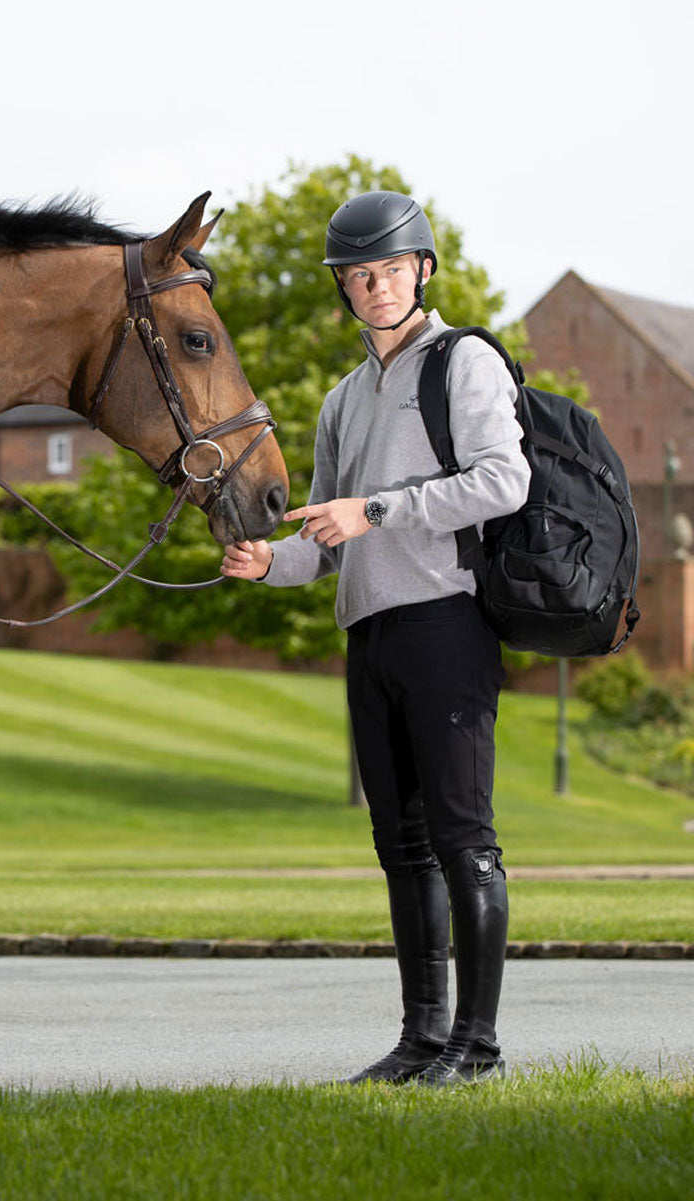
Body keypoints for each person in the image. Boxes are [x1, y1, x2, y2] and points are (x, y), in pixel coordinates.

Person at [220, 191, 530, 1086]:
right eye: (359, 275)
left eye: (391, 268)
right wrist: (263, 563)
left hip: (447, 623)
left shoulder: (462, 361)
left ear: (421, 270)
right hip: (370, 636)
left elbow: (503, 479)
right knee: (401, 845)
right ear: (344, 291)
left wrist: (378, 508)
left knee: (465, 835)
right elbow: (324, 541)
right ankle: (422, 1041)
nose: (376, 286)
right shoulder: (341, 400)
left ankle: (480, 1047)